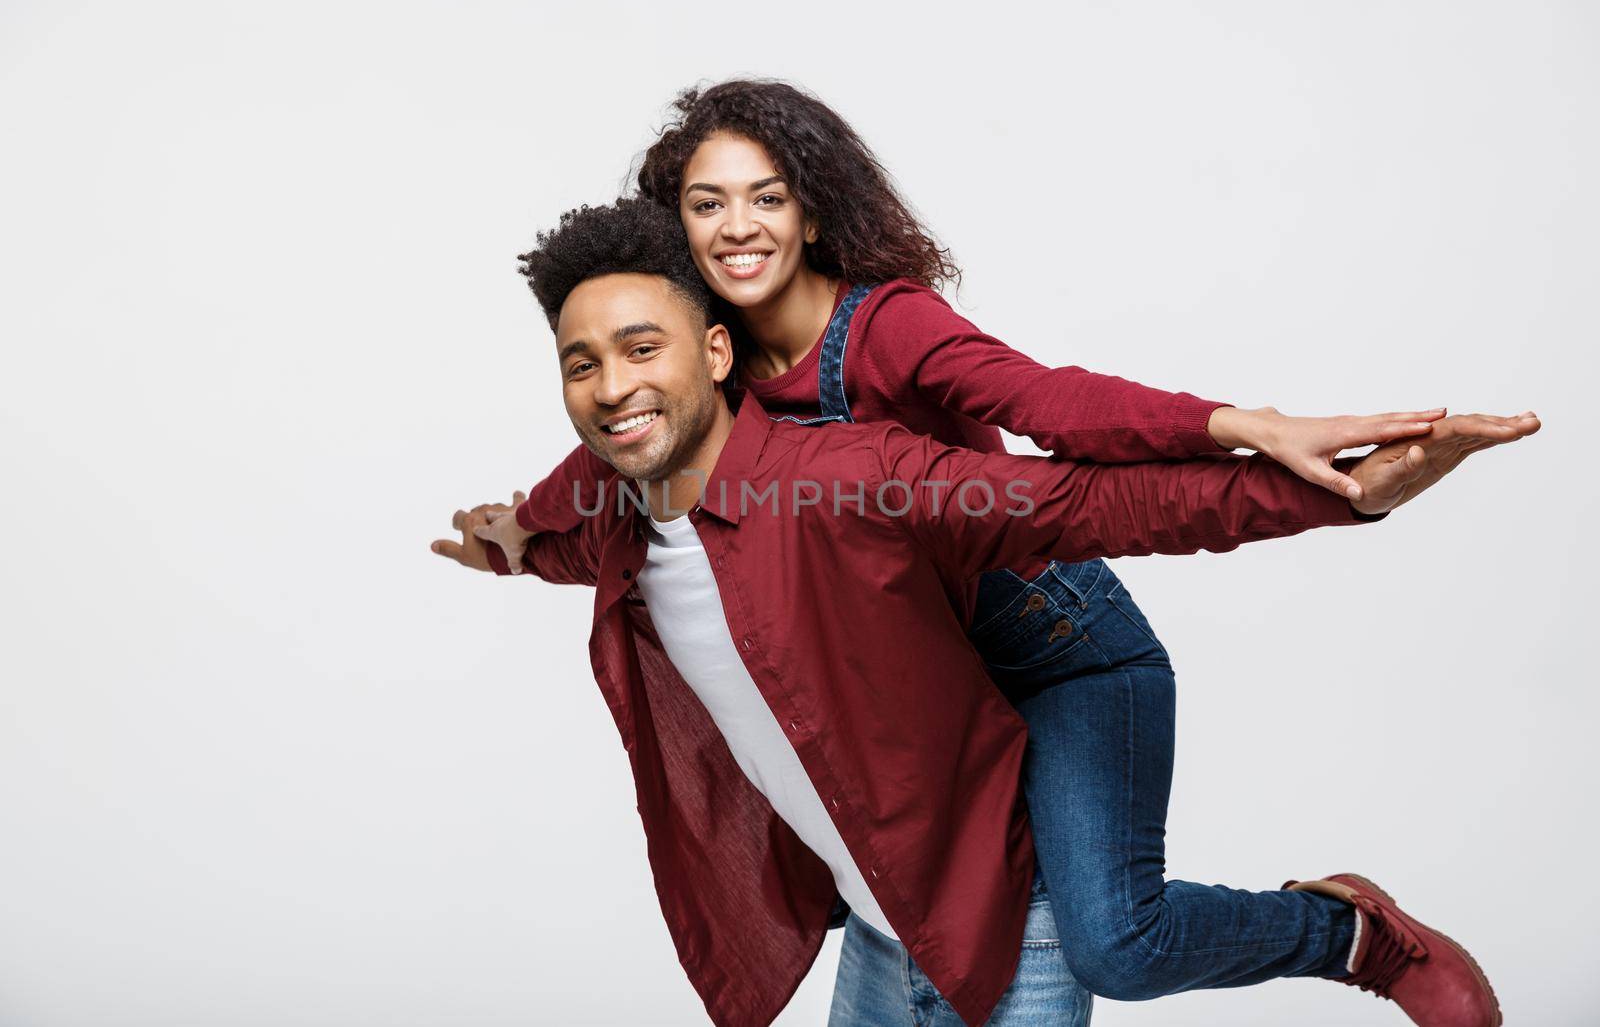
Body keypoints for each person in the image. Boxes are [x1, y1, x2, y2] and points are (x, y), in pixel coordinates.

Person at [472, 81, 1535, 1025]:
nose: (737, 227)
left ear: (810, 209)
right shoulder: (710, 365)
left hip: (1053, 642)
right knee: (898, 872)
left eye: (766, 196)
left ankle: (1348, 931)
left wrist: (1247, 428)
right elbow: (620, 453)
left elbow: (1050, 415)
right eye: (707, 205)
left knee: (1113, 939)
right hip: (936, 666)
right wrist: (524, 533)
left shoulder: (883, 331)